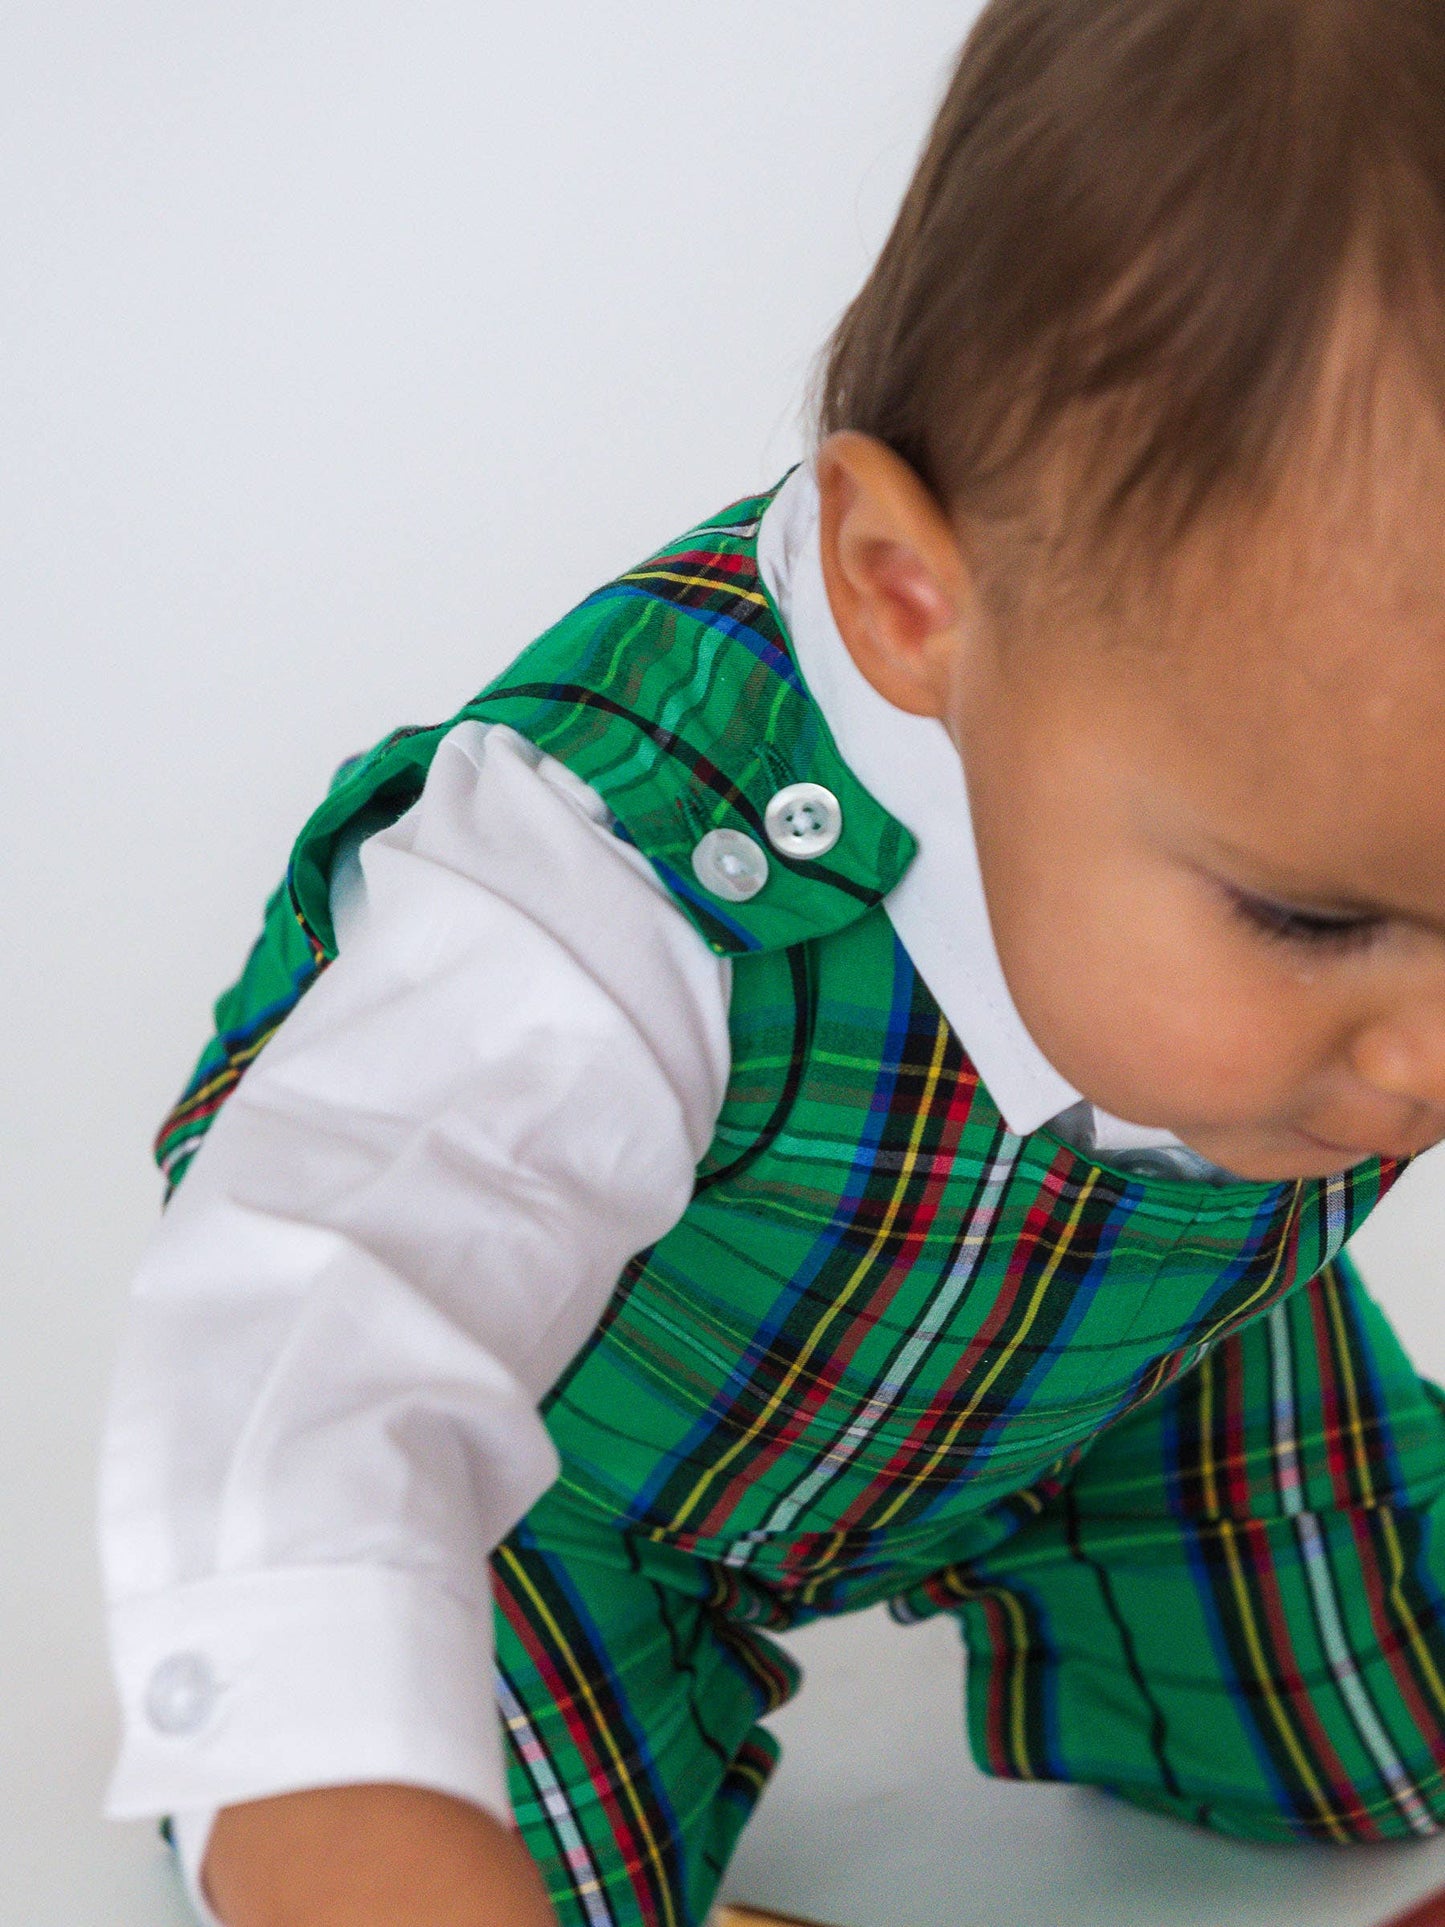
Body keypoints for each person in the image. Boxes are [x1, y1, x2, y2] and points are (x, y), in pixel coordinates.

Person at [100, 2, 1445, 1922]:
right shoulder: (598, 882)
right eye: (1314, 919)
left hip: (1148, 1367)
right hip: (576, 1493)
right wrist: (329, 1791)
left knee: (1383, 1729)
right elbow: (300, 1361)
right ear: (913, 600)